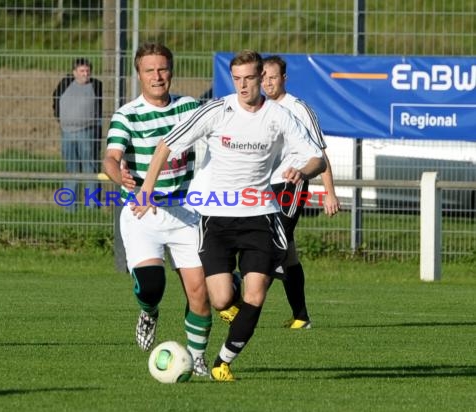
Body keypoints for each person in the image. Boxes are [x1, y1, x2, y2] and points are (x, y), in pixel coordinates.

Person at [131, 50, 326, 381]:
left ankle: (222, 362)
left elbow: (317, 158)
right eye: (237, 79)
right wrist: (147, 189)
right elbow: (166, 144)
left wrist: (303, 171)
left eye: (250, 78)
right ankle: (232, 288)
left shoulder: (279, 116)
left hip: (261, 215)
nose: (244, 85)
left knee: (256, 293)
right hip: (216, 216)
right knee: (221, 298)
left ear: (261, 77)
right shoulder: (217, 110)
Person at [102, 42, 212, 377]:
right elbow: (110, 157)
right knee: (151, 285)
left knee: (200, 292)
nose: (157, 76)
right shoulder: (128, 114)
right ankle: (148, 312)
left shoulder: (189, 107)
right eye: (149, 70)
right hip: (142, 213)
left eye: (162, 69)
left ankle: (197, 359)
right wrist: (117, 174)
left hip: (185, 212)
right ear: (139, 75)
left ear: (172, 71)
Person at [262, 55, 341, 329]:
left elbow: (320, 153)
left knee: (274, 241)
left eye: (272, 77)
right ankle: (301, 316)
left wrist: (329, 192)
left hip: (291, 184)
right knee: (288, 253)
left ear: (284, 78)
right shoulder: (258, 109)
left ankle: (241, 302)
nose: (267, 82)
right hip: (263, 186)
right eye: (263, 77)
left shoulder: (298, 108)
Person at [52, 57, 102, 210]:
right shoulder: (65, 83)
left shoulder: (97, 85)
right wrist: (61, 119)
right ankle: (70, 208)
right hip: (67, 133)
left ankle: (92, 207)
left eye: (87, 71)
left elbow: (102, 107)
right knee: (71, 170)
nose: (85, 74)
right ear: (74, 72)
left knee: (90, 169)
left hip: (88, 133)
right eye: (82, 71)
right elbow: (55, 99)